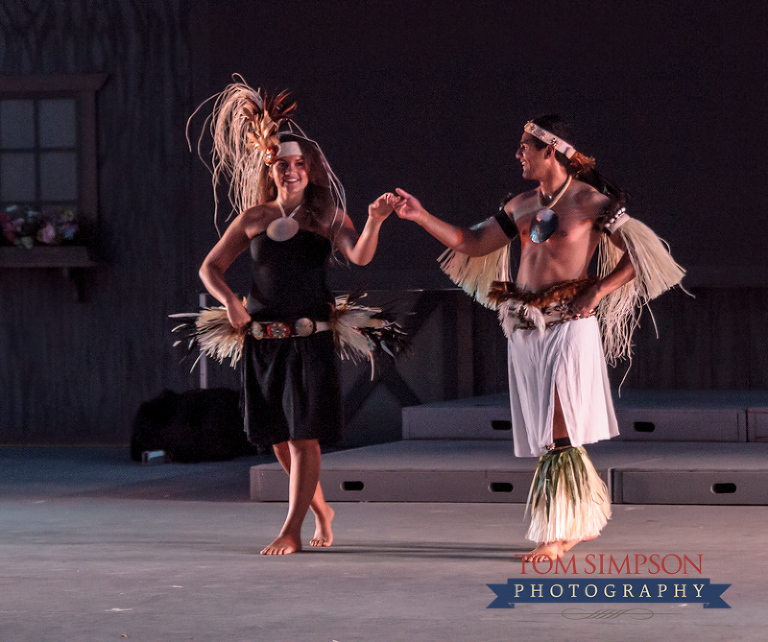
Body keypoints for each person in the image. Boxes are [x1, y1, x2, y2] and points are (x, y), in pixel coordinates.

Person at [393, 115, 685, 560]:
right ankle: (583, 518)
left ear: (550, 149)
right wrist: (419, 216)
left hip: (569, 324)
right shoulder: (522, 204)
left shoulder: (591, 201)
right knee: (548, 428)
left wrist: (598, 287)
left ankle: (556, 532)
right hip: (526, 327)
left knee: (557, 426)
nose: (518, 154)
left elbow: (644, 258)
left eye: (525, 147)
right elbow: (471, 242)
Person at [194, 79, 395, 555]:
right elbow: (210, 268)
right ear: (271, 167)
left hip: (310, 338)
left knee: (305, 436)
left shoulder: (327, 217)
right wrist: (230, 301)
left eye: (299, 164)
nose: (291, 171)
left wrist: (374, 220)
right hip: (262, 340)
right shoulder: (253, 218)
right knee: (277, 438)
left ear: (311, 170)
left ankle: (292, 528)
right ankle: (321, 509)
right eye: (283, 164)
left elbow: (361, 256)